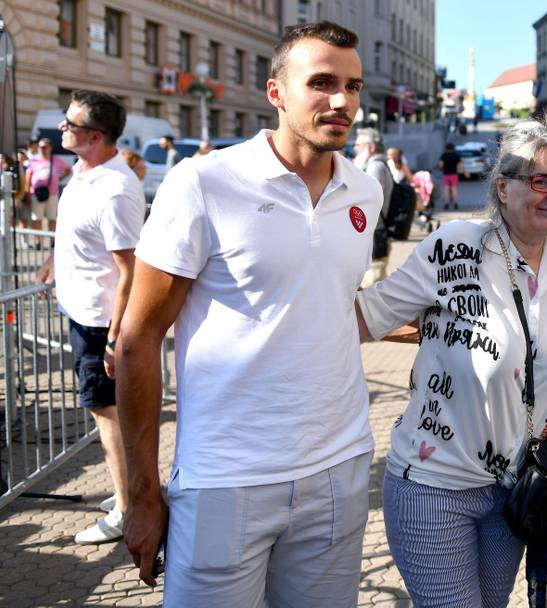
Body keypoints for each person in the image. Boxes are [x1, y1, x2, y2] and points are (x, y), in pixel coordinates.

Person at [115, 21, 382, 605]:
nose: (342, 101)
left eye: (354, 86)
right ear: (276, 92)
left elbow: (325, 301)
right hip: (225, 479)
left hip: (339, 468)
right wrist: (140, 493)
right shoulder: (205, 182)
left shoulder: (365, 191)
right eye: (321, 82)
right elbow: (138, 339)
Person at [355, 120, 547, 608]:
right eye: (540, 180)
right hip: (434, 484)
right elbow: (369, 316)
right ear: (503, 187)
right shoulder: (458, 246)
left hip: (512, 492)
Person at [35, 90, 145, 543]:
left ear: (94, 136)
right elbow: (77, 235)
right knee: (107, 414)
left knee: (108, 416)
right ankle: (129, 493)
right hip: (82, 313)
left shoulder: (116, 190)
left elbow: (130, 270)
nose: (60, 129)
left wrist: (116, 339)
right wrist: (53, 261)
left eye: (69, 124)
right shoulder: (82, 174)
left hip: (101, 323)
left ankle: (127, 510)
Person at [354, 127, 393, 287]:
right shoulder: (378, 164)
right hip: (375, 234)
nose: (355, 148)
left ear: (371, 148)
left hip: (375, 235)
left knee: (370, 285)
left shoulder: (375, 166)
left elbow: (368, 198)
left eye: (359, 145)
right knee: (378, 283)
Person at [24, 137, 72, 231]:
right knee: (37, 219)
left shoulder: (57, 160)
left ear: (50, 148)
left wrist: (59, 179)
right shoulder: (34, 161)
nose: (42, 149)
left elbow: (68, 170)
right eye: (40, 147)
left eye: (45, 147)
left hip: (52, 194)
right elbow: (28, 177)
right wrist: (27, 194)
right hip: (37, 194)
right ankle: (37, 243)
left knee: (52, 219)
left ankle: (52, 242)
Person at [437, 141, 465, 210]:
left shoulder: (444, 155)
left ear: (446, 148)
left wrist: (440, 168)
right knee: (454, 189)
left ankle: (446, 204)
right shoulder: (456, 155)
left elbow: (440, 165)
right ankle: (455, 204)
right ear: (453, 148)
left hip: (446, 174)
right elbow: (461, 165)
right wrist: (463, 171)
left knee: (446, 189)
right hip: (454, 174)